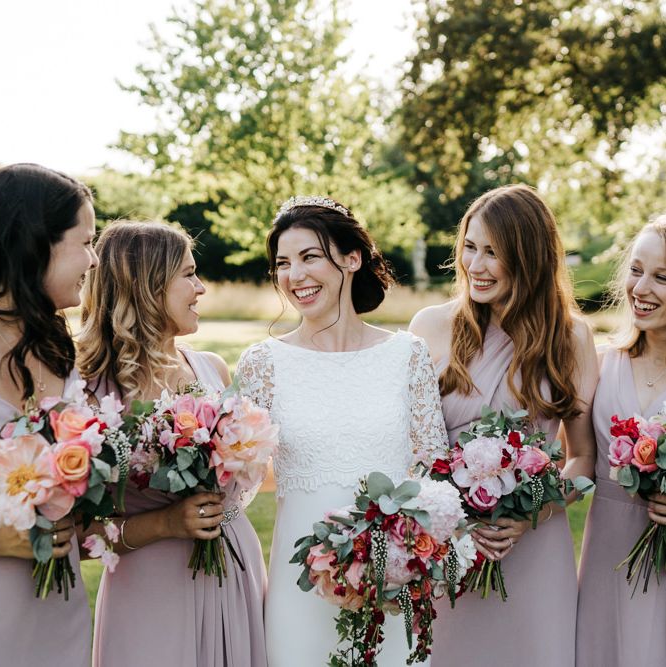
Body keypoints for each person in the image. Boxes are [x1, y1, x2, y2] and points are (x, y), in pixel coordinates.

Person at [235, 196, 448, 666]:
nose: (294, 276)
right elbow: (238, 484)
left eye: (310, 257)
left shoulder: (407, 355)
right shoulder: (262, 364)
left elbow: (434, 472)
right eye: (283, 263)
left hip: (391, 582)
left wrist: (402, 558)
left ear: (352, 259)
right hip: (300, 588)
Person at [409, 184, 597, 667]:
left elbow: (582, 458)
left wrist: (534, 511)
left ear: (529, 256)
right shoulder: (430, 326)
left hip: (535, 546)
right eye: (470, 247)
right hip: (452, 547)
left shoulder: (571, 337)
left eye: (493, 252)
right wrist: (450, 516)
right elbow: (409, 447)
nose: (475, 265)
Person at [77, 220, 267, 667]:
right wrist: (165, 523)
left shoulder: (212, 369)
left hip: (233, 564)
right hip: (151, 585)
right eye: (188, 274)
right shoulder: (91, 391)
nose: (201, 288)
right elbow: (78, 533)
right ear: (147, 285)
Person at [0, 163, 97, 666]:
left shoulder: (57, 347)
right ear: (35, 242)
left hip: (56, 617)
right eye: (86, 241)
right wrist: (0, 540)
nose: (94, 259)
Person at [576, 214, 666, 666]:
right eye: (636, 269)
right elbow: (573, 460)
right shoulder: (597, 363)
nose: (642, 288)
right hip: (606, 555)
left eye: (662, 277)